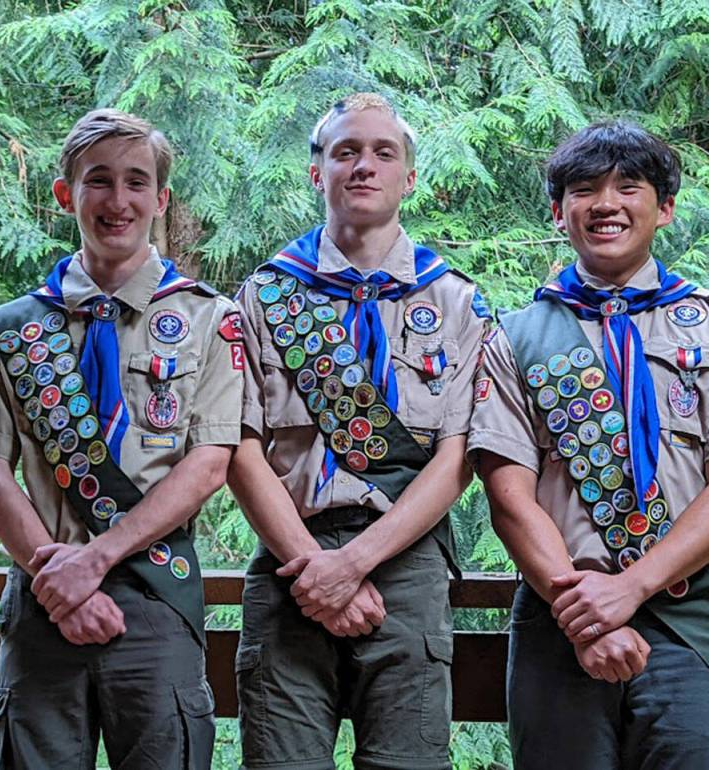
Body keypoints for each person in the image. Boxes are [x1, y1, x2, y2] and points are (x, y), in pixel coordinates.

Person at [468, 120, 709, 769]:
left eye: (629, 187)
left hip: (684, 619)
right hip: (560, 619)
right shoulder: (514, 339)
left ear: (664, 208)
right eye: (584, 189)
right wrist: (582, 609)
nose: (606, 203)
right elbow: (508, 499)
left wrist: (630, 589)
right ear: (559, 213)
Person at [0, 108, 242, 769]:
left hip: (155, 599)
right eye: (99, 181)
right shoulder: (16, 327)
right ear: (66, 194)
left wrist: (97, 561)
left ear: (160, 199)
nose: (118, 201)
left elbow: (208, 464)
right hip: (44, 595)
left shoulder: (209, 319)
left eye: (136, 182)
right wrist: (58, 577)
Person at [228, 92, 490, 770]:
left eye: (383, 153)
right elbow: (239, 447)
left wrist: (354, 563)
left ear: (410, 177)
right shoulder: (263, 297)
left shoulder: (456, 301)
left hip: (408, 569)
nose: (363, 166)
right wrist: (316, 567)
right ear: (318, 174)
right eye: (345, 152)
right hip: (292, 563)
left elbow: (458, 456)